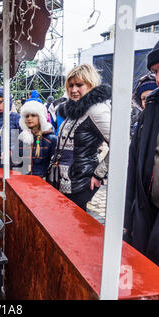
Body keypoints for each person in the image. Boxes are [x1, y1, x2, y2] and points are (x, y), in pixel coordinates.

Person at [124, 26, 159, 278]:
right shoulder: (151, 111)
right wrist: (128, 222)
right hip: (148, 222)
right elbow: (133, 173)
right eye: (156, 71)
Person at [47, 64, 111, 211]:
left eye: (79, 85)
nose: (73, 90)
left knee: (75, 223)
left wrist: (99, 174)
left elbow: (121, 145)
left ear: (90, 84)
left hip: (81, 183)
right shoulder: (74, 108)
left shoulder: (97, 110)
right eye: (70, 85)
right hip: (63, 179)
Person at [17, 100, 57, 178]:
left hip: (43, 184)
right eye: (27, 116)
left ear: (41, 117)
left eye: (33, 115)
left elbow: (54, 167)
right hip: (24, 183)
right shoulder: (22, 139)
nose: (29, 118)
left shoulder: (51, 139)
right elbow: (17, 164)